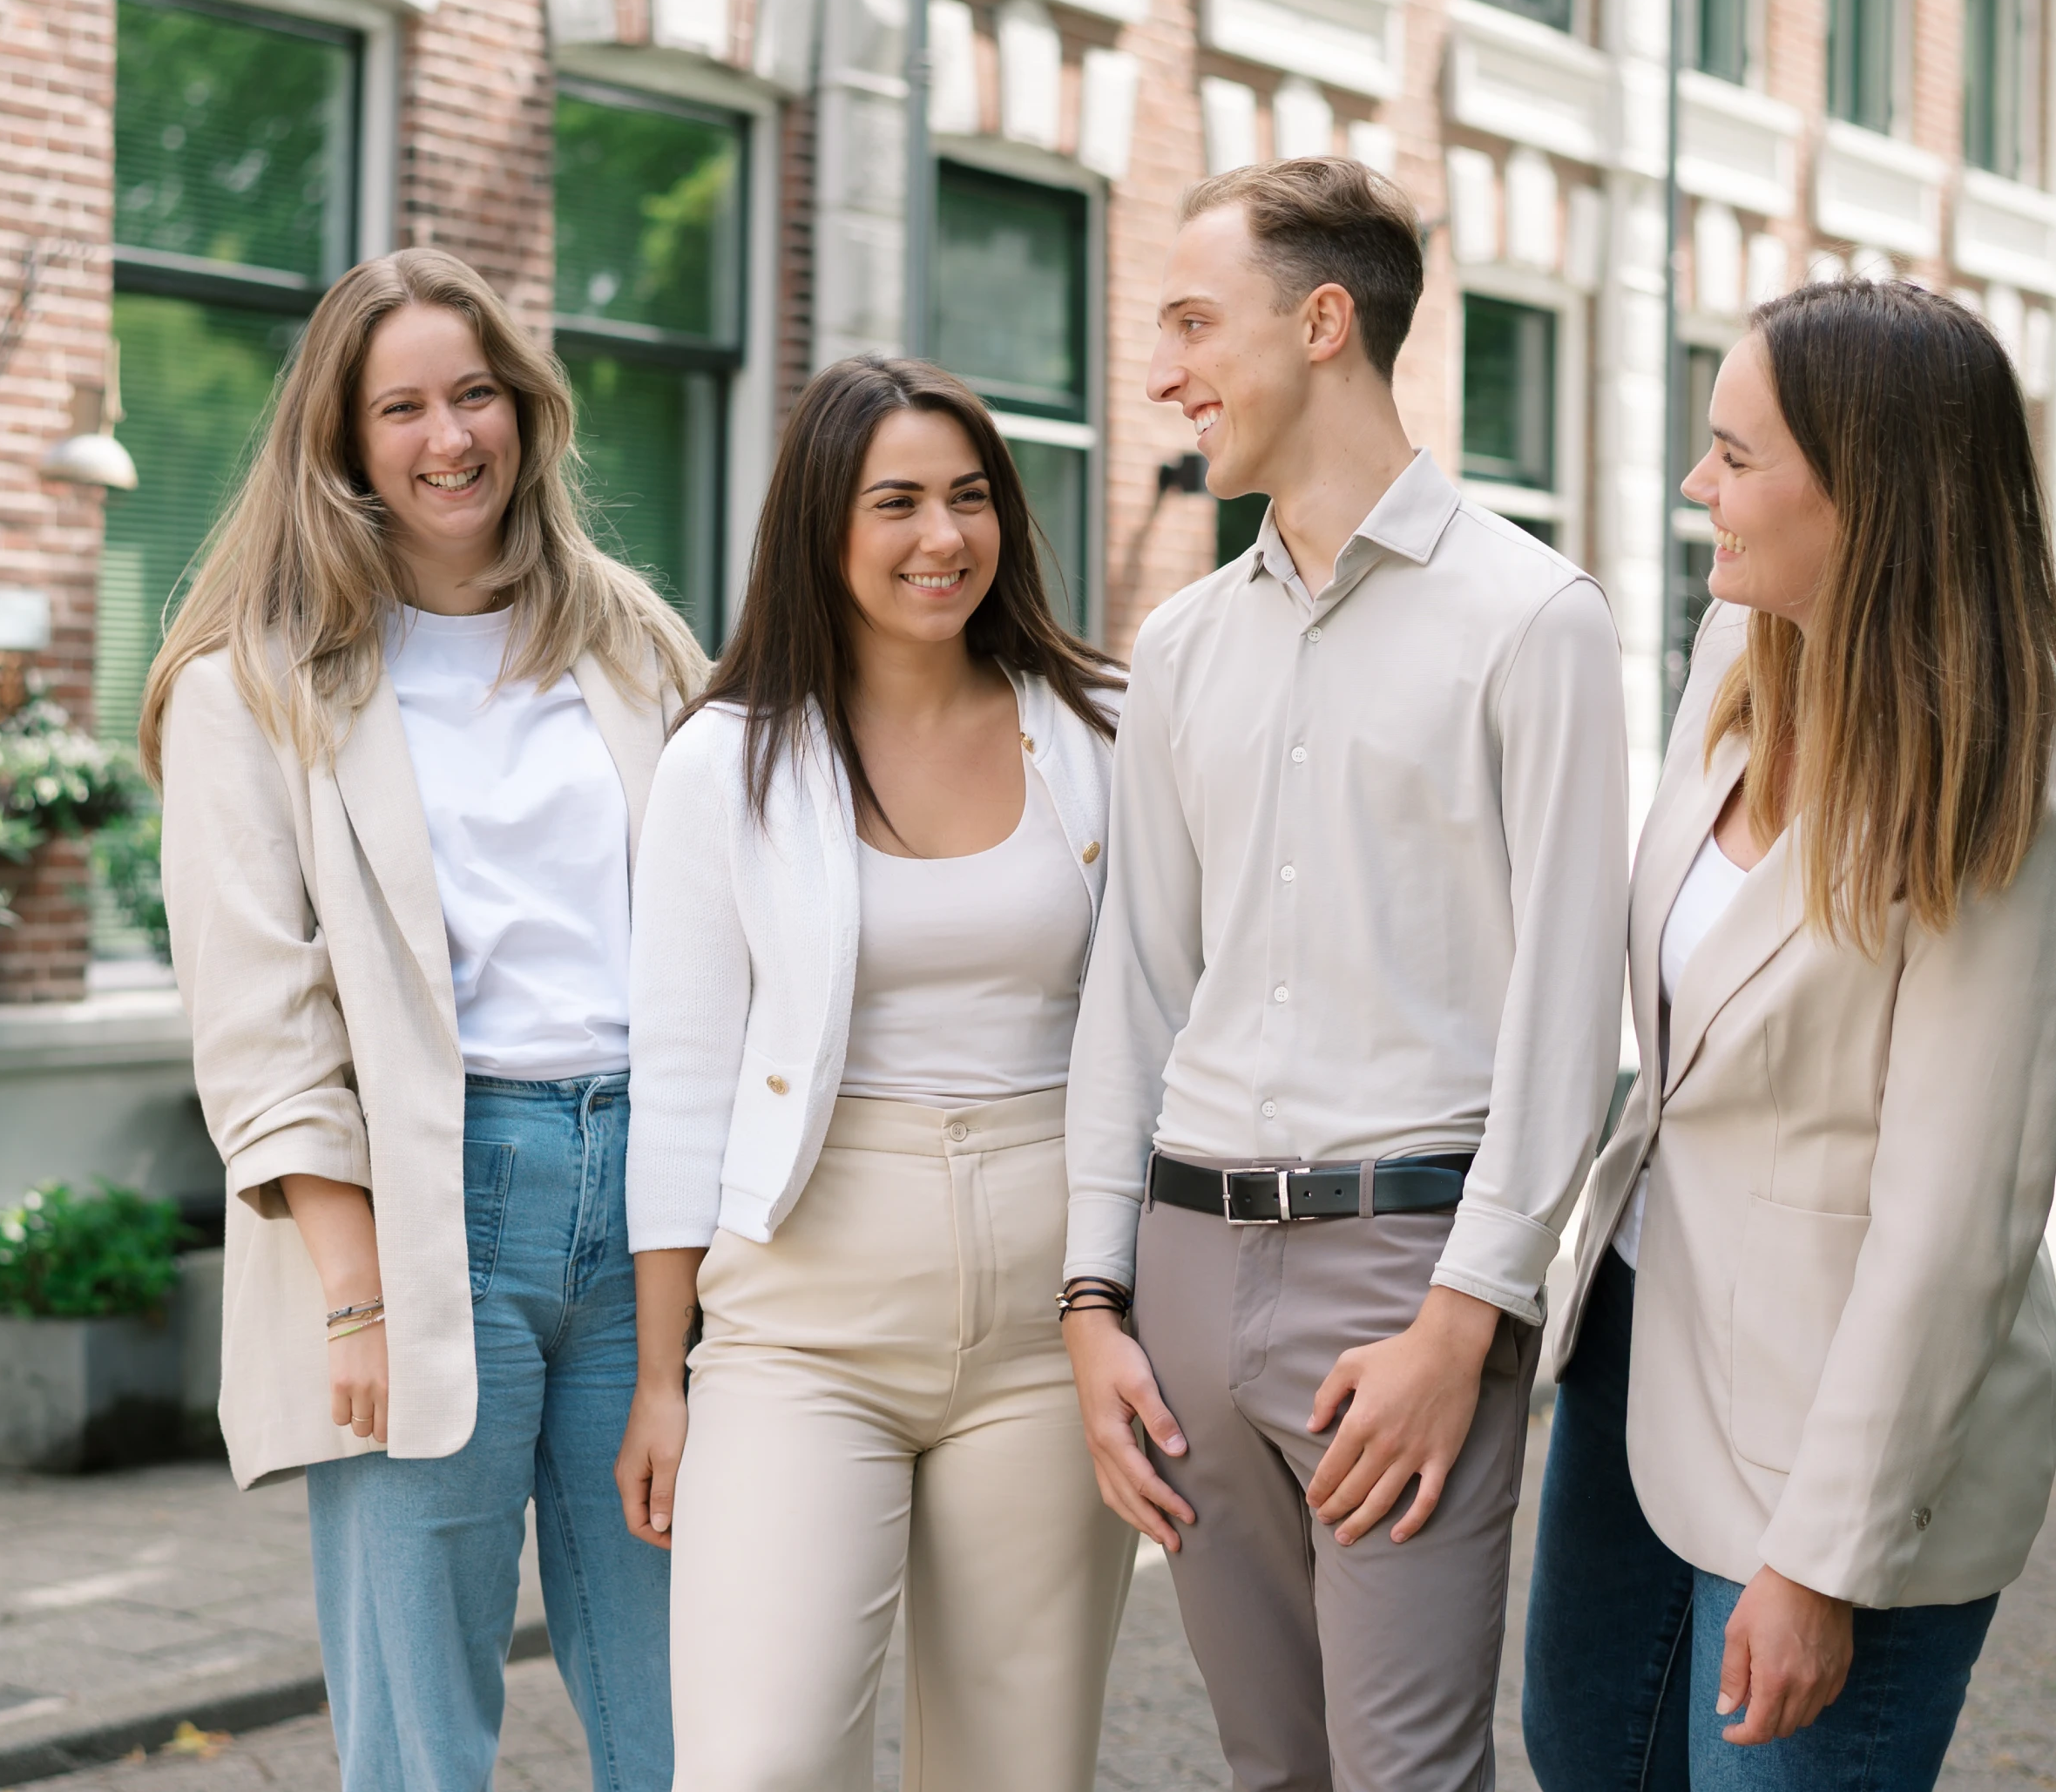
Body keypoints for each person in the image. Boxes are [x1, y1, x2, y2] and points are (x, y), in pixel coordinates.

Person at [1061, 156, 1630, 1791]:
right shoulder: (1177, 649)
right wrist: (1095, 1299)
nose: (1160, 371)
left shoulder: (1538, 622)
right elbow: (1137, 991)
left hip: (1410, 1274)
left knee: (1406, 1772)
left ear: (1324, 323)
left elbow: (1567, 1015)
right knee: (1272, 1768)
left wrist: (1469, 1316)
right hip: (1183, 1268)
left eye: (1189, 322)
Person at [145, 247, 704, 1792]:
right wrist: (353, 1289)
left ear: (527, 410)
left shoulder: (638, 645)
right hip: (418, 1215)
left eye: (475, 394)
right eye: (402, 406)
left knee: (690, 1715)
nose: (448, 436)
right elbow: (261, 1022)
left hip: (651, 1214)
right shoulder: (245, 687)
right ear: (340, 441)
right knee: (419, 1743)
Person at [1522, 278, 2056, 1792]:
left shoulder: (2010, 794)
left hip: (1846, 1427)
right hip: (1640, 1339)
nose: (1700, 485)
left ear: (1871, 492)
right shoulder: (1736, 651)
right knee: (1584, 1754)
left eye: (1737, 454)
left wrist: (1820, 1562)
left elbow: (1954, 1230)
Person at [613, 355, 1137, 1791]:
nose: (943, 536)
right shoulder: (727, 762)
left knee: (1016, 1769)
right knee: (760, 1762)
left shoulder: (1099, 729)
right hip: (801, 1324)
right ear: (821, 530)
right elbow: (680, 1081)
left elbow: (1160, 1015)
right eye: (895, 501)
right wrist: (666, 1378)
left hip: (1049, 1321)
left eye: (970, 498)